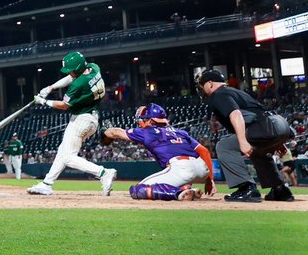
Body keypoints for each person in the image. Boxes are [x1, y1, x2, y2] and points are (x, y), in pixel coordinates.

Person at [26, 50, 117, 196]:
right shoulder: (93, 67)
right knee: (64, 151)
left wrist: (44, 101)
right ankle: (46, 184)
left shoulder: (78, 85)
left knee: (68, 157)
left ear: (78, 68)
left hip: (81, 120)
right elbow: (70, 77)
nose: (70, 73)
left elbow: (64, 105)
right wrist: (51, 88)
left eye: (72, 70)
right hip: (92, 118)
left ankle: (103, 172)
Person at [196, 68, 294, 201]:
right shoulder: (235, 91)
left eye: (203, 85)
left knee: (224, 146)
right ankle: (280, 190)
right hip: (280, 124)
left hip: (266, 126)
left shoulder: (218, 95)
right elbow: (259, 111)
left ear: (210, 83)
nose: (202, 88)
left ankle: (246, 188)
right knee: (258, 151)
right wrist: (279, 142)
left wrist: (242, 141)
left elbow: (236, 114)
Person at [100, 103, 214, 201]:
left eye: (143, 119)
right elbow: (204, 152)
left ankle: (178, 194)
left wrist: (105, 132)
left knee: (138, 190)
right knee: (176, 177)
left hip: (181, 168)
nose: (141, 122)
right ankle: (187, 190)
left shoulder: (146, 131)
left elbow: (116, 132)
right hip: (201, 169)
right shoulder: (180, 131)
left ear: (150, 120)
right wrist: (210, 180)